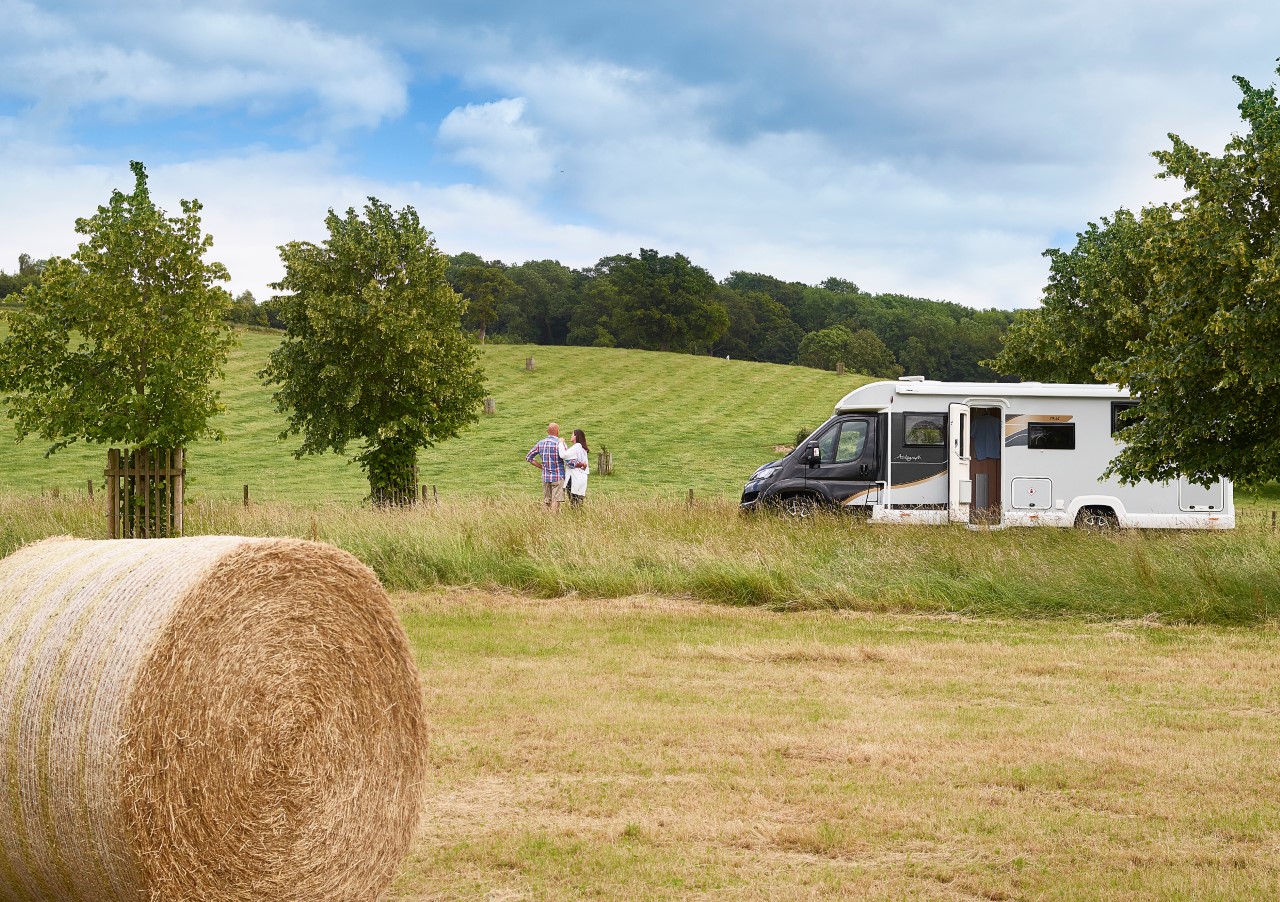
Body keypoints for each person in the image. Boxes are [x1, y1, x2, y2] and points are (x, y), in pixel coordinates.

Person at [526, 422, 569, 512]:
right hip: (558, 476)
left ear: (547, 431)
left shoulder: (541, 443)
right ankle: (553, 521)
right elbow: (567, 457)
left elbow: (529, 457)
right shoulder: (560, 443)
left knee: (546, 500)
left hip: (545, 476)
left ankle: (544, 520)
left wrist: (542, 467)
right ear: (557, 431)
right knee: (556, 500)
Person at [563, 428, 590, 507]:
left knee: (573, 500)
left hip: (574, 477)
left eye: (572, 434)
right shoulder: (583, 449)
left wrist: (561, 444)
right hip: (582, 477)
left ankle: (575, 515)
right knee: (579, 501)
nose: (571, 436)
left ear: (576, 436)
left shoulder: (576, 447)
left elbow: (564, 455)